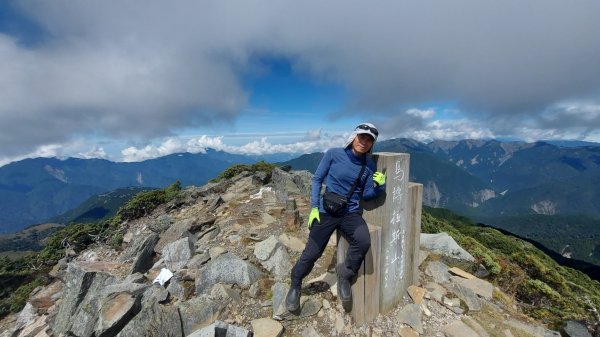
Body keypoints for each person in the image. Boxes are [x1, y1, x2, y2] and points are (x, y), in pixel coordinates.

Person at [286, 122, 386, 312]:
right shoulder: (333, 154)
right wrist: (314, 207)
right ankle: (295, 283)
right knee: (312, 253)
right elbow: (317, 179)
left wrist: (379, 187)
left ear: (372, 144)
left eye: (369, 140)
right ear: (354, 137)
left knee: (363, 241)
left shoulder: (368, 165)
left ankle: (345, 276)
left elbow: (366, 195)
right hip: (327, 211)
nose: (364, 142)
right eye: (361, 137)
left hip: (350, 213)